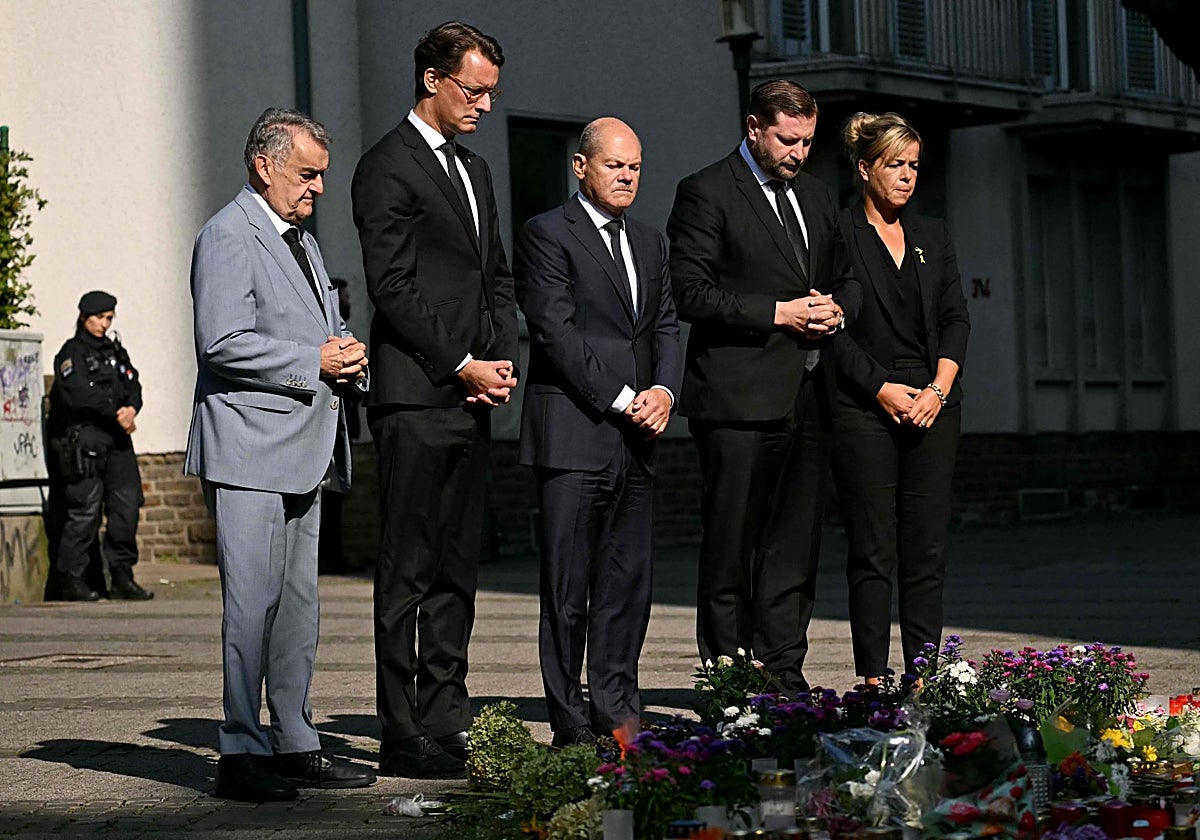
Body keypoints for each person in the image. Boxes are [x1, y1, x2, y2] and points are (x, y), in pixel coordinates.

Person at [186, 107, 376, 801]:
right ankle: (241, 749)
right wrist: (313, 361)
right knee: (251, 607)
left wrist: (347, 356)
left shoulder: (301, 240)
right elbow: (221, 340)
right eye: (307, 173)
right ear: (264, 166)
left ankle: (295, 740)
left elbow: (319, 326)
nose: (319, 187)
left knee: (297, 607)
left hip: (302, 446)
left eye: (322, 174)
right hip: (247, 448)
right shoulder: (227, 234)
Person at [351, 20, 519, 779]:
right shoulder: (386, 165)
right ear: (432, 80)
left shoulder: (476, 168)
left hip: (474, 395)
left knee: (457, 565)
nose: (485, 104)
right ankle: (401, 728)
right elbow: (392, 287)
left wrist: (500, 358)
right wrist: (460, 363)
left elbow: (496, 277)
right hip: (417, 396)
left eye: (492, 93)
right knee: (408, 567)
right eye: (474, 90)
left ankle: (447, 714)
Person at [666, 80, 860, 694]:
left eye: (807, 141)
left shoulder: (818, 195)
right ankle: (729, 681)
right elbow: (689, 292)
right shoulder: (706, 191)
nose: (798, 152)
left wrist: (837, 309)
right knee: (731, 546)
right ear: (754, 128)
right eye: (787, 139)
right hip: (737, 398)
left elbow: (848, 276)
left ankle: (783, 671)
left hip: (810, 393)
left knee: (794, 547)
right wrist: (780, 313)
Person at [513, 118, 682, 747]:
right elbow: (555, 333)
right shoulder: (547, 234)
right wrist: (624, 398)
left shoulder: (651, 241)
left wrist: (664, 392)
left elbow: (665, 325)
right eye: (615, 165)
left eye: (635, 167)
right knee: (567, 588)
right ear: (580, 167)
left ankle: (617, 712)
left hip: (638, 438)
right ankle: (569, 720)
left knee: (625, 585)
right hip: (575, 431)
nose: (627, 177)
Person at [830, 112, 969, 681]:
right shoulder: (837, 233)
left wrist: (939, 388)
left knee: (926, 550)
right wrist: (880, 387)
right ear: (865, 168)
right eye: (895, 165)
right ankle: (872, 676)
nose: (908, 176)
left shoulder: (933, 234)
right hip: (866, 402)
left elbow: (956, 319)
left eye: (914, 165)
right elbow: (831, 329)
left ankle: (923, 677)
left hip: (934, 402)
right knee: (872, 549)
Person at [46, 291, 152, 602]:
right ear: (84, 317)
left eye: (109, 318)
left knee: (126, 509)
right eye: (100, 318)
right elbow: (78, 395)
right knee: (85, 512)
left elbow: (133, 383)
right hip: (88, 441)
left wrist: (132, 408)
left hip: (118, 441)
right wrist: (116, 412)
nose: (105, 324)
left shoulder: (115, 351)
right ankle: (72, 578)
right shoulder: (72, 353)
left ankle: (122, 576)